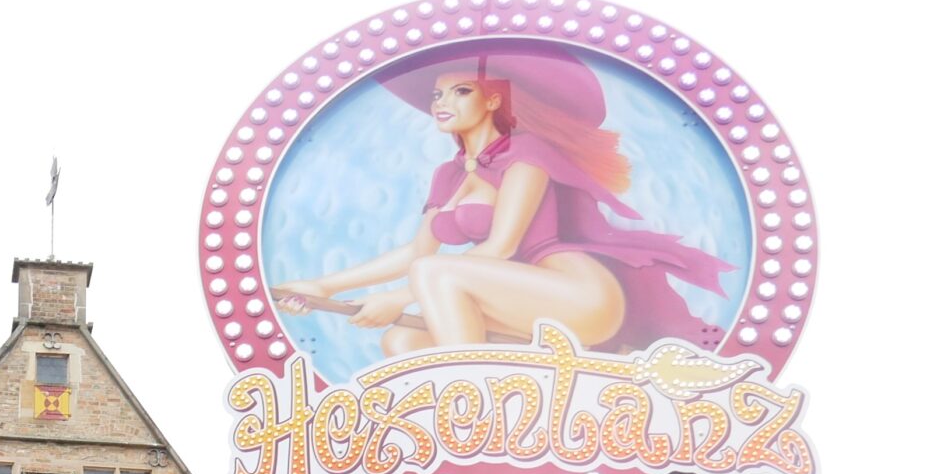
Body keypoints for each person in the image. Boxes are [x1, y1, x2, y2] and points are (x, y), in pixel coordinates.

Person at [274, 44, 733, 357]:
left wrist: (395, 297)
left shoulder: (527, 155)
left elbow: (500, 249)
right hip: (519, 305)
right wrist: (325, 287)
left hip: (579, 298)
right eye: (437, 93)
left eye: (461, 90)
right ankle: (476, 435)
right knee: (401, 343)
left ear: (494, 101)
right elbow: (416, 253)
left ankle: (470, 403)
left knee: (432, 276)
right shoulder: (449, 174)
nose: (441, 102)